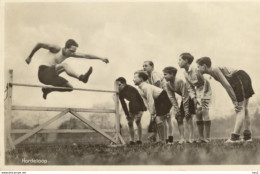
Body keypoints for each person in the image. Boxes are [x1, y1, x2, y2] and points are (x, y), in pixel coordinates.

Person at [196, 57, 254, 143]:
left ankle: (235, 138)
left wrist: (234, 101)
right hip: (243, 77)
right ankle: (247, 137)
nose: (197, 69)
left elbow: (227, 85)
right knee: (244, 108)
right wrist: (235, 100)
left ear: (204, 66)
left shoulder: (214, 69)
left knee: (239, 109)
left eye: (198, 66)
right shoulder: (213, 72)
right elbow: (227, 85)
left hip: (239, 77)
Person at [25, 39, 109, 99]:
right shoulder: (56, 48)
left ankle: (48, 90)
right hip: (43, 73)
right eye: (71, 51)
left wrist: (101, 58)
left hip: (51, 76)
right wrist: (29, 57)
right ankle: (81, 77)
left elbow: (85, 55)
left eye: (74, 52)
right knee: (64, 65)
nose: (72, 53)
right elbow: (39, 44)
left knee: (69, 88)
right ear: (65, 48)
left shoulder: (69, 53)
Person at [178, 53, 212, 143]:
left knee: (204, 111)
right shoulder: (185, 73)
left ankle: (207, 138)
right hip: (197, 92)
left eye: (180, 60)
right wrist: (193, 98)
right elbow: (189, 87)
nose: (178, 62)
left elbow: (206, 81)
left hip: (206, 90)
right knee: (198, 112)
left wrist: (203, 95)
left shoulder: (196, 69)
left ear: (186, 61)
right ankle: (201, 138)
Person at [133, 71, 172, 144]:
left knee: (159, 119)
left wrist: (153, 113)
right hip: (158, 100)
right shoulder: (140, 89)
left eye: (135, 77)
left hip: (163, 98)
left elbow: (150, 100)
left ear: (141, 78)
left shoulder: (146, 86)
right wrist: (151, 112)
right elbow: (146, 102)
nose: (133, 79)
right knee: (159, 120)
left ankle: (163, 141)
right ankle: (163, 140)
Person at [163, 66, 196, 144]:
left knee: (188, 116)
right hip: (184, 99)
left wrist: (186, 109)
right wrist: (176, 108)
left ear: (172, 74)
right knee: (178, 117)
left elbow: (185, 95)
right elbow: (171, 97)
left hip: (190, 97)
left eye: (165, 74)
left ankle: (191, 138)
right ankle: (182, 138)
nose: (164, 76)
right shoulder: (167, 84)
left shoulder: (179, 81)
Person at [143, 61, 174, 144]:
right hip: (161, 97)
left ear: (152, 66)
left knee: (167, 118)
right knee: (163, 119)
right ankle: (166, 138)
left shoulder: (154, 74)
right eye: (143, 66)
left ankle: (169, 139)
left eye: (146, 66)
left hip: (165, 96)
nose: (144, 67)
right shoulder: (148, 77)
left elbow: (158, 87)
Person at [115, 77, 147, 145]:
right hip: (132, 106)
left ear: (123, 84)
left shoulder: (131, 88)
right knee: (130, 123)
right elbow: (123, 104)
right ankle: (132, 140)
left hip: (139, 105)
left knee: (137, 121)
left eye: (119, 85)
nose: (117, 87)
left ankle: (139, 140)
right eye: (116, 85)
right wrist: (127, 114)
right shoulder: (120, 92)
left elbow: (134, 100)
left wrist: (134, 114)